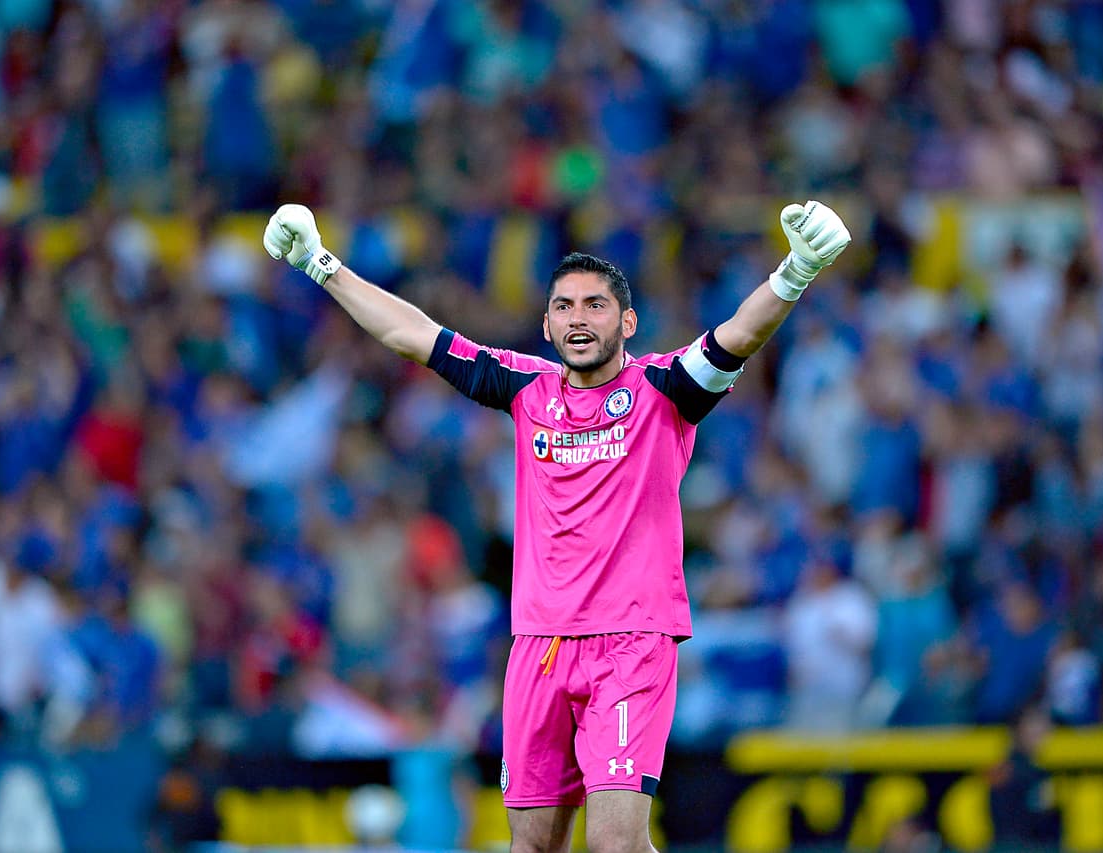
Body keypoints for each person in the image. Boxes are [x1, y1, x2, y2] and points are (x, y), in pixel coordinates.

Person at [261, 198, 850, 852]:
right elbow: (413, 334)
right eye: (564, 305)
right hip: (539, 643)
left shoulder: (664, 390)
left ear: (626, 321)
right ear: (545, 324)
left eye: (595, 304)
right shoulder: (525, 388)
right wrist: (320, 263)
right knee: (532, 845)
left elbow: (738, 334)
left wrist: (795, 271)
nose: (578, 317)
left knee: (615, 844)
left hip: (630, 641)